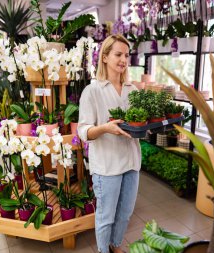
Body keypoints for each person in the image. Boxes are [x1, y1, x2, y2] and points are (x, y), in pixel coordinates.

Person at [77, 34, 141, 253]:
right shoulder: (93, 91)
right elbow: (84, 131)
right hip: (107, 166)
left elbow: (138, 124)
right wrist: (105, 127)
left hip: (131, 162)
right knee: (106, 216)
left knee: (125, 213)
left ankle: (115, 246)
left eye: (126, 55)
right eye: (118, 54)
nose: (123, 59)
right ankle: (104, 250)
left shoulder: (133, 90)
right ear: (104, 57)